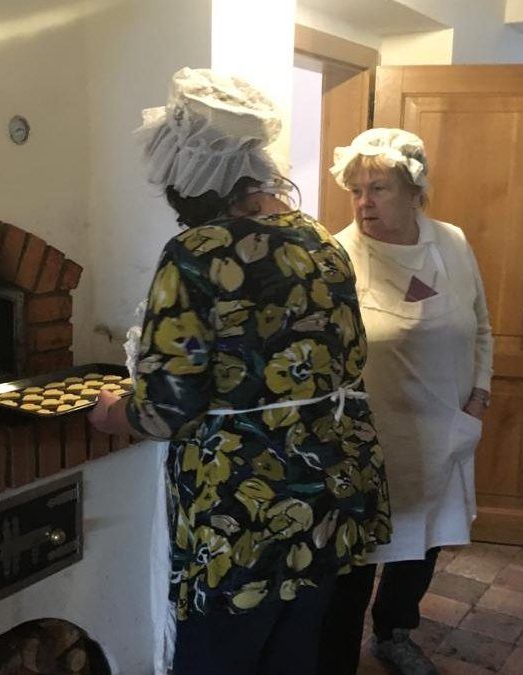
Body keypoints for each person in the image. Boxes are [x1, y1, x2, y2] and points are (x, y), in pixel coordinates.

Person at [88, 67, 391, 675]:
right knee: (297, 655)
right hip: (328, 490)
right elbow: (347, 359)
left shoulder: (196, 256)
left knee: (216, 657)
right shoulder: (322, 241)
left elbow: (165, 406)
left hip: (241, 506)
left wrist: (109, 410)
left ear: (198, 179)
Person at [318, 128, 493, 675]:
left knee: (423, 544)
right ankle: (337, 656)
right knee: (356, 557)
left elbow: (483, 327)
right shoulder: (337, 257)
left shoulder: (453, 242)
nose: (364, 202)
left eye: (380, 188)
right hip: (369, 437)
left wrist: (479, 399)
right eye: (356, 189)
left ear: (416, 191)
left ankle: (395, 632)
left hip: (444, 425)